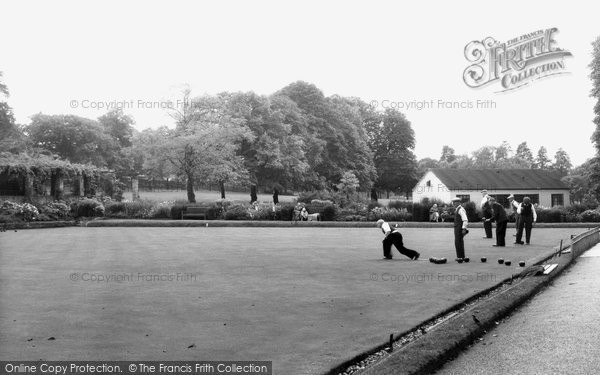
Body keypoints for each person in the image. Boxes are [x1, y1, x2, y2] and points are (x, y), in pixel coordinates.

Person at [451, 197, 468, 261]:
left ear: (458, 202)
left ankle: (460, 257)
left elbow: (465, 220)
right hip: (457, 227)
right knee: (458, 242)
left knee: (458, 242)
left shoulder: (461, 210)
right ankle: (461, 256)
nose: (453, 204)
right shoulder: (457, 209)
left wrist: (464, 228)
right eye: (453, 202)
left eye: (455, 202)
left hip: (459, 228)